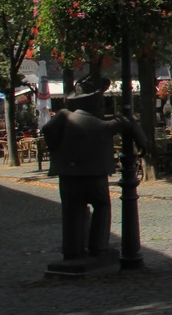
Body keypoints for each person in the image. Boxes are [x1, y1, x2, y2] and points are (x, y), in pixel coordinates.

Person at [40, 74, 147, 261]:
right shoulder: (102, 124)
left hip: (68, 175)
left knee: (71, 212)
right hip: (94, 175)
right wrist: (142, 141)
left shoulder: (64, 116)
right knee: (102, 206)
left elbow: (47, 130)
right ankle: (99, 247)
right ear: (97, 103)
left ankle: (72, 250)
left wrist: (58, 151)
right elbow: (127, 122)